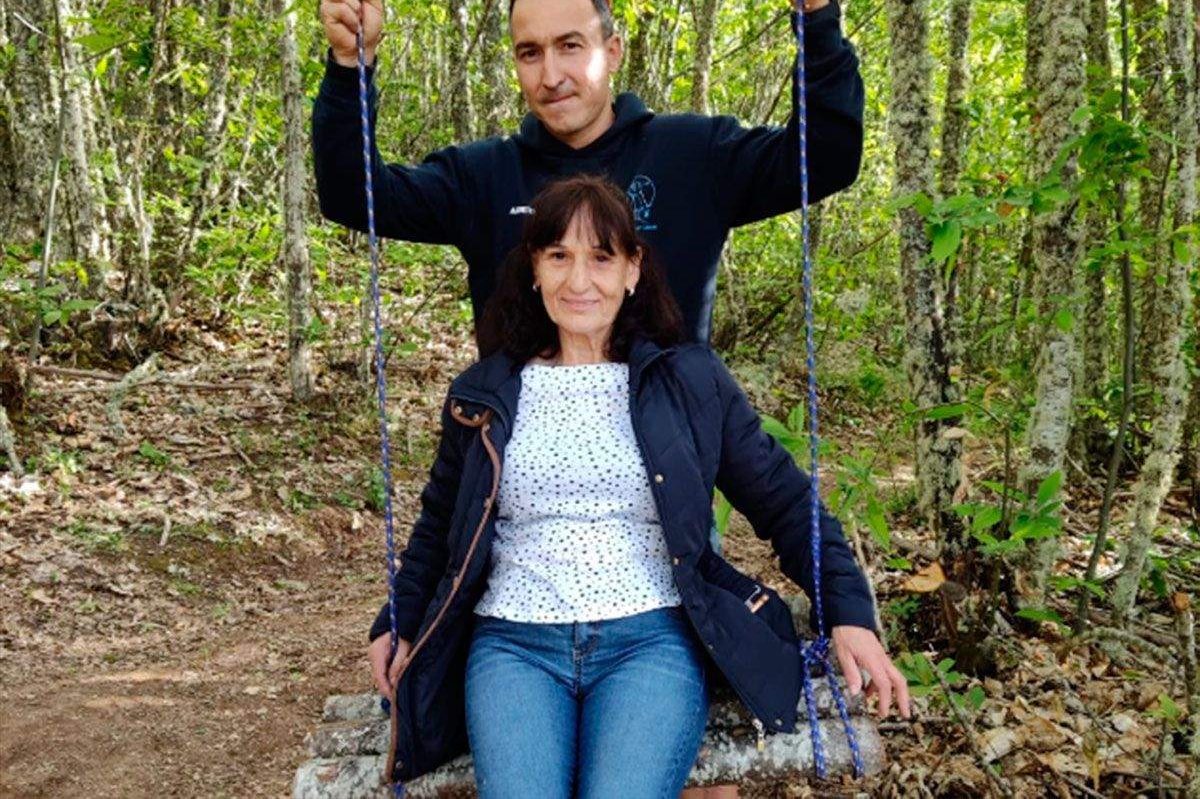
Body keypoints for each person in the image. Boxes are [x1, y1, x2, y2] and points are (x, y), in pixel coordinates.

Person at [366, 175, 910, 797]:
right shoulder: (485, 392)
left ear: (632, 269)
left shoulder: (688, 383)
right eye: (559, 256)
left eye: (601, 257)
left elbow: (786, 503)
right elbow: (440, 524)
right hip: (514, 645)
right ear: (535, 270)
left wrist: (848, 613)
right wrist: (398, 619)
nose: (579, 280)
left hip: (649, 642)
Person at [313, 0, 863, 344]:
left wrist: (814, 12)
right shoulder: (482, 176)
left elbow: (828, 159)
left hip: (668, 447)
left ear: (613, 50)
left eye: (571, 46)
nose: (551, 75)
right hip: (522, 449)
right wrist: (350, 66)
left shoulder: (694, 154)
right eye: (530, 53)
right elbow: (352, 196)